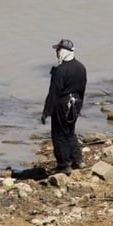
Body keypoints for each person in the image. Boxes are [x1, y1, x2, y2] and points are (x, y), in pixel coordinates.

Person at [41, 38, 87, 175]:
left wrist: (46, 112)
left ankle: (63, 164)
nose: (56, 52)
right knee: (70, 131)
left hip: (62, 105)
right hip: (76, 103)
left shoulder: (60, 71)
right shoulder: (81, 67)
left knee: (59, 135)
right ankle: (77, 160)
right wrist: (79, 107)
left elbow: (53, 93)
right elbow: (82, 89)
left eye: (58, 49)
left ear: (63, 52)